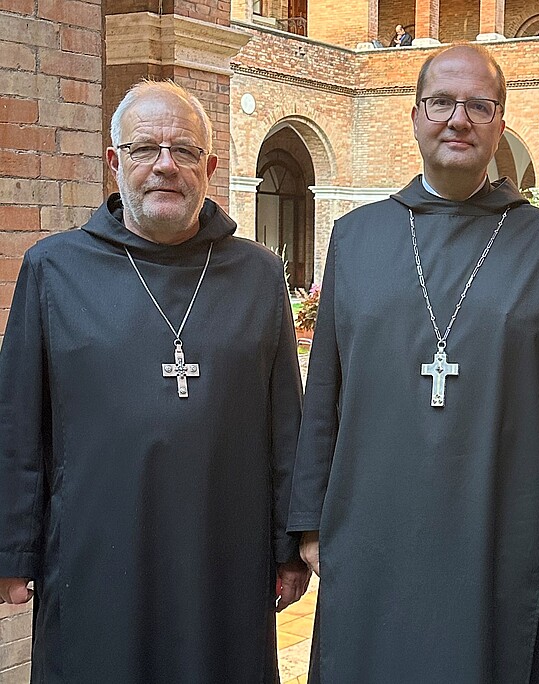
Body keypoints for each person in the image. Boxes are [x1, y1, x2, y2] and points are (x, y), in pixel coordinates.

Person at [288, 44, 539, 682]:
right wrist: (309, 518)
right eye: (441, 102)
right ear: (415, 115)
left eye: (480, 105)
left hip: (503, 521)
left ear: (500, 123)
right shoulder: (357, 237)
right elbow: (325, 387)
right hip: (373, 518)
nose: (459, 119)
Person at [0, 80, 308, 683]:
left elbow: (285, 426)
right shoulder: (53, 269)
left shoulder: (257, 274)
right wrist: (14, 548)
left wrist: (288, 547)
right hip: (94, 551)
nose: (165, 165)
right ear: (114, 162)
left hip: (224, 554)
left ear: (209, 168)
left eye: (184, 150)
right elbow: (18, 421)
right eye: (144, 148)